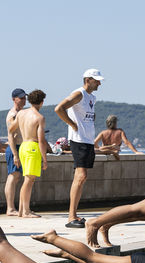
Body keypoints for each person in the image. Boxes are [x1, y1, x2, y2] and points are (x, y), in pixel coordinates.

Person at [55, 69, 103, 229]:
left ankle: (74, 214)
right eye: (96, 80)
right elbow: (59, 108)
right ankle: (71, 216)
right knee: (80, 176)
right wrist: (72, 124)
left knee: (83, 177)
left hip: (88, 140)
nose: (99, 83)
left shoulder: (92, 97)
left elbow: (87, 115)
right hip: (79, 140)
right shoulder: (79, 93)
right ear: (88, 79)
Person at [11, 90, 48, 218]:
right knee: (29, 180)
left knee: (27, 179)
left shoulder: (21, 113)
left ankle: (22, 210)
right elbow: (41, 140)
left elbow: (10, 130)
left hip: (23, 146)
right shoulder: (39, 118)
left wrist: (15, 152)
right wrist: (45, 158)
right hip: (32, 146)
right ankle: (26, 211)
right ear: (42, 102)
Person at [4, 88, 28, 216]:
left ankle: (17, 207)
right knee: (13, 176)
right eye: (21, 98)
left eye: (25, 98)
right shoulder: (13, 115)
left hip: (22, 146)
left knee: (17, 176)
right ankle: (10, 208)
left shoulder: (22, 113)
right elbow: (10, 136)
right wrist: (15, 155)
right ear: (14, 99)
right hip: (15, 148)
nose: (24, 100)